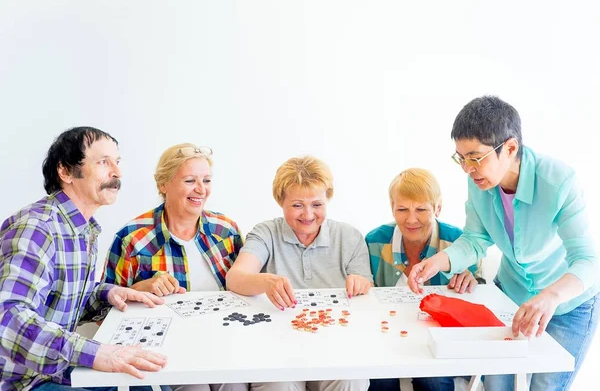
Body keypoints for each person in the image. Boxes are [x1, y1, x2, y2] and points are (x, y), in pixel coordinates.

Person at [407, 96, 600, 391]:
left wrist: (550, 296)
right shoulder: (480, 183)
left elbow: (588, 260)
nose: (467, 169)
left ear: (509, 148)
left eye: (475, 157)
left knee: (547, 386)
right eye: (461, 158)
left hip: (568, 304)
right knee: (497, 382)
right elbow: (475, 239)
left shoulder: (560, 181)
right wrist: (437, 262)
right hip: (511, 294)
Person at [0, 127, 168, 391]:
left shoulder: (84, 229)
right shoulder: (38, 228)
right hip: (22, 382)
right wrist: (98, 353)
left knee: (147, 383)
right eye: (103, 162)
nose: (117, 173)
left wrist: (109, 294)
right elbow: (7, 319)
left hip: (55, 370)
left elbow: (60, 298)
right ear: (65, 171)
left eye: (117, 162)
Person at [102, 143, 246, 391]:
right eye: (190, 180)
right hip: (168, 351)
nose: (201, 189)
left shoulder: (226, 230)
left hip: (224, 342)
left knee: (235, 385)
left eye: (207, 180)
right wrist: (139, 289)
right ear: (163, 185)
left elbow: (245, 289)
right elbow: (103, 312)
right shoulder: (132, 238)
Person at [227, 156, 373, 391]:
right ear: (280, 202)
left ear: (328, 199)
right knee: (278, 385)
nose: (308, 214)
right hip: (276, 345)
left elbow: (366, 288)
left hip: (334, 344)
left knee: (351, 379)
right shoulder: (266, 232)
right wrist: (266, 281)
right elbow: (235, 278)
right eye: (297, 205)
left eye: (317, 204)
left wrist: (361, 283)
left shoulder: (349, 236)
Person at [366, 168, 483, 391]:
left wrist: (471, 279)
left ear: (438, 208)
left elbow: (478, 290)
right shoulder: (374, 241)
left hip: (438, 340)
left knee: (433, 379)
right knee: (379, 377)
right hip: (387, 336)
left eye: (421, 209)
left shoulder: (458, 242)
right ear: (392, 208)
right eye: (402, 209)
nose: (411, 219)